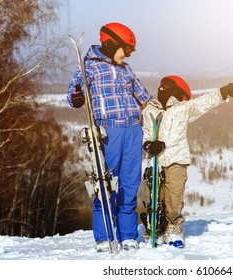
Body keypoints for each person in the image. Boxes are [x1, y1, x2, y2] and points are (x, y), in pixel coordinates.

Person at [67, 22, 153, 252]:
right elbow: (74, 94)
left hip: (134, 130)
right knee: (106, 184)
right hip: (108, 133)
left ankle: (127, 235)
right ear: (112, 44)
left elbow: (145, 99)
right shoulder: (90, 68)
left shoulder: (126, 70)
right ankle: (104, 236)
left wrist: (162, 110)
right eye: (127, 49)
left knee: (130, 183)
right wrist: (76, 95)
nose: (129, 54)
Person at [141, 75, 233, 248]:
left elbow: (203, 102)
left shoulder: (183, 108)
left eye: (167, 86)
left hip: (177, 159)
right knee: (155, 198)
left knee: (174, 199)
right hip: (155, 161)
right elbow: (147, 132)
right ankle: (154, 229)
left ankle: (173, 229)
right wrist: (148, 145)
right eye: (160, 86)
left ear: (176, 91)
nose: (161, 89)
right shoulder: (149, 109)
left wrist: (223, 92)